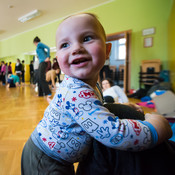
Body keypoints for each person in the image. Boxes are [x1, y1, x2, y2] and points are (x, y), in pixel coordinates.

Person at [21, 13, 172, 175]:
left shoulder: (90, 85)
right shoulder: (75, 91)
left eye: (87, 38)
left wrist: (122, 106)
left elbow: (93, 110)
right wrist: (155, 129)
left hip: (56, 158)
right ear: (58, 59)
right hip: (44, 161)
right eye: (65, 45)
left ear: (107, 50)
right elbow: (115, 133)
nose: (76, 48)